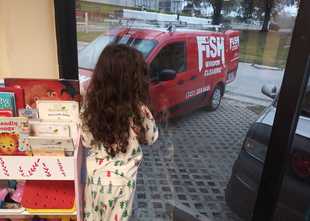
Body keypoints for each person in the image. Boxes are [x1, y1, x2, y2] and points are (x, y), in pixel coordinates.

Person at [80, 44, 158, 221]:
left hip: (94, 181)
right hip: (122, 184)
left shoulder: (90, 109)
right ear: (135, 79)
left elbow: (86, 141)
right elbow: (151, 138)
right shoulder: (140, 111)